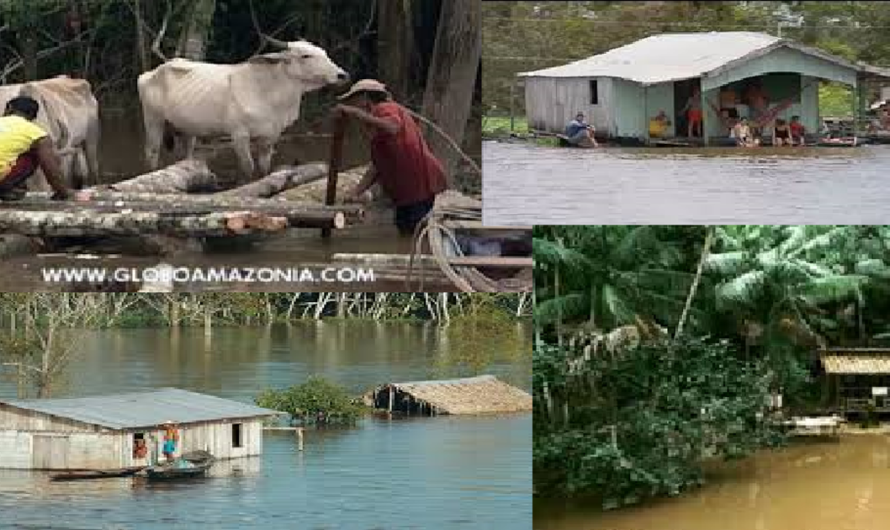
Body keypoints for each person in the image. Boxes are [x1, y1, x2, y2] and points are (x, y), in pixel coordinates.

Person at [335, 79, 447, 236]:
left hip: (419, 184)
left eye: (355, 99)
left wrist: (357, 114)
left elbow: (393, 127)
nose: (353, 104)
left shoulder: (385, 108)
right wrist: (356, 192)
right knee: (406, 231)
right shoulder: (376, 125)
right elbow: (377, 166)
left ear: (365, 97)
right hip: (406, 190)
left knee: (415, 233)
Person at [0, 96, 72, 201]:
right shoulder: (38, 134)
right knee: (35, 155)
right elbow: (51, 168)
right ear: (33, 116)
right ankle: (4, 189)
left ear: (9, 108)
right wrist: (63, 193)